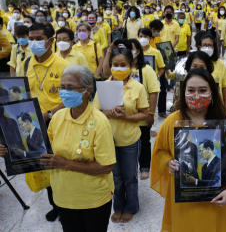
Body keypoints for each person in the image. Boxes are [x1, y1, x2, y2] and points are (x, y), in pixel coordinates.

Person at [150, 68, 226, 232]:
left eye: (202, 90)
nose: (196, 95)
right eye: (191, 90)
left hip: (216, 202)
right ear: (184, 92)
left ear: (212, 92)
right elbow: (160, 152)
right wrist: (168, 163)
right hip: (183, 203)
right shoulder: (172, 122)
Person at [40, 65, 115, 232]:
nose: (64, 92)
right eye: (62, 87)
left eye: (70, 87)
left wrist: (66, 164)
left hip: (92, 201)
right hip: (63, 197)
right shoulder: (58, 117)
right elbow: (43, 150)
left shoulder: (100, 122)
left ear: (87, 91)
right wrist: (12, 151)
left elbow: (106, 166)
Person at [95, 40, 149, 223]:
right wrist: (107, 113)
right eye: (115, 65)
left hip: (129, 140)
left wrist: (125, 116)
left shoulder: (138, 87)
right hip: (108, 140)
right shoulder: (104, 87)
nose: (119, 68)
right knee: (115, 176)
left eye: (123, 65)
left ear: (131, 65)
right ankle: (118, 206)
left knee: (130, 176)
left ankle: (131, 206)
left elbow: (145, 115)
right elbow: (94, 113)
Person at [24, 23, 68, 221]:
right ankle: (55, 205)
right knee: (46, 165)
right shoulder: (27, 63)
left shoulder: (63, 66)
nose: (34, 43)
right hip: (35, 126)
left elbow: (71, 97)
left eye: (38, 39)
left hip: (58, 123)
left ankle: (67, 204)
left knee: (62, 165)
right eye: (31, 39)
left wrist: (50, 113)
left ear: (50, 41)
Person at [103, 38, 160, 181]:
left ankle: (144, 167)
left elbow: (153, 92)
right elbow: (105, 72)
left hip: (140, 113)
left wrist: (151, 113)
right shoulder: (117, 72)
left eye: (133, 48)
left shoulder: (146, 70)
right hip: (122, 120)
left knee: (144, 142)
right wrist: (110, 50)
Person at [199, 32, 226, 108]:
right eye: (204, 45)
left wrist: (225, 108)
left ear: (214, 47)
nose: (207, 48)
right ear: (200, 47)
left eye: (209, 45)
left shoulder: (220, 64)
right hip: (198, 105)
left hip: (217, 106)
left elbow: (224, 88)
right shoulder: (195, 63)